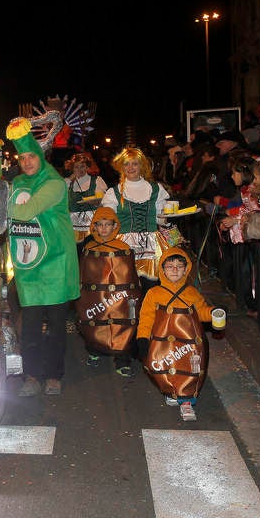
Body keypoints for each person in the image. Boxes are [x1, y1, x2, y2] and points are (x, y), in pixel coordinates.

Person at [0, 117, 80, 396]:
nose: (27, 162)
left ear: (41, 156)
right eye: (23, 157)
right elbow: (5, 217)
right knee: (29, 326)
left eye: (32, 156)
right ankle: (31, 376)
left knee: (55, 326)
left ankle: (54, 375)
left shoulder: (54, 184)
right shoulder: (17, 181)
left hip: (55, 264)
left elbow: (23, 211)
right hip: (29, 265)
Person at [136, 247, 221, 422]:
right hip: (163, 343)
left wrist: (214, 312)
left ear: (186, 269)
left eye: (179, 266)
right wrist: (142, 338)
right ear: (162, 269)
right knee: (163, 368)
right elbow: (146, 318)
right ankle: (171, 390)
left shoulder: (192, 293)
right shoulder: (154, 294)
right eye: (170, 266)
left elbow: (202, 312)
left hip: (187, 343)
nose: (174, 270)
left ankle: (186, 401)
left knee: (188, 370)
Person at [75, 206, 142, 377]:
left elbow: (130, 275)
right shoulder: (89, 247)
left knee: (123, 323)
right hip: (95, 297)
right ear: (94, 226)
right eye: (100, 224)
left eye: (108, 224)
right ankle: (94, 351)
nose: (104, 228)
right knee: (94, 319)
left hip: (120, 299)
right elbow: (83, 274)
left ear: (115, 226)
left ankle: (122, 360)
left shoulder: (123, 247)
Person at [100, 147, 171, 288]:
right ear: (122, 167)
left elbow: (160, 218)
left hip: (151, 245)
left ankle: (148, 310)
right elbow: (108, 221)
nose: (130, 167)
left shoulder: (156, 189)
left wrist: (168, 219)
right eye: (126, 164)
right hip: (124, 245)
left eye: (135, 163)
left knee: (151, 286)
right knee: (126, 287)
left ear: (142, 166)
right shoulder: (113, 192)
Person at [64, 152, 107, 248]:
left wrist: (97, 202)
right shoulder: (69, 184)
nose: (80, 169)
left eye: (82, 166)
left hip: (92, 227)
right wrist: (72, 177)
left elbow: (102, 199)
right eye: (76, 167)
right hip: (73, 228)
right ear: (72, 168)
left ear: (87, 167)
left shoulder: (96, 180)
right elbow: (59, 189)